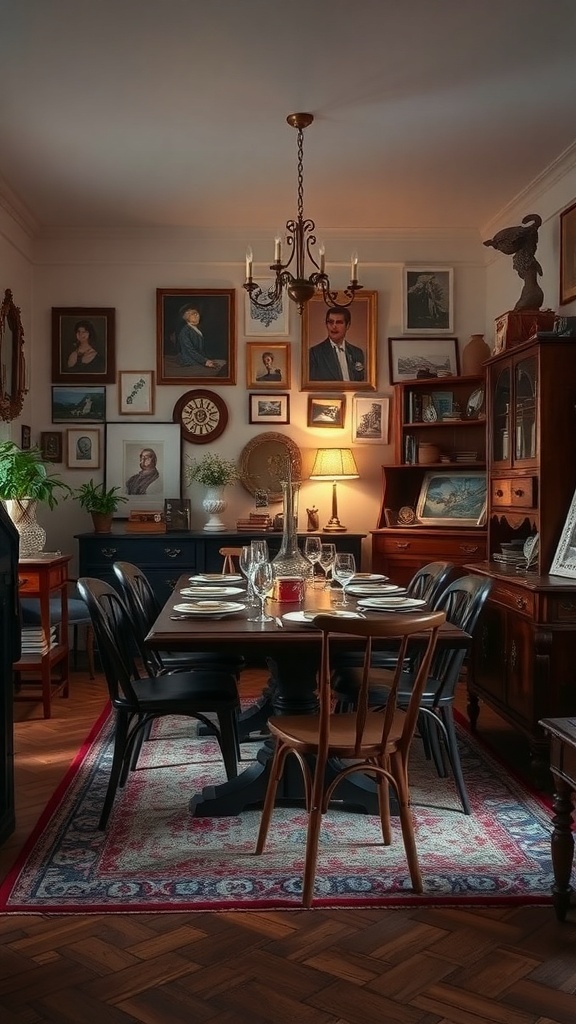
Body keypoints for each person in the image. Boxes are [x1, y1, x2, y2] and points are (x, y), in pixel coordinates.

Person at [308, 306, 365, 382]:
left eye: (339, 322)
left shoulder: (357, 353)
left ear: (347, 325)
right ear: (326, 324)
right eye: (330, 322)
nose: (334, 326)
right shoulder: (315, 353)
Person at [176, 305, 226, 373]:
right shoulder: (185, 332)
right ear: (186, 317)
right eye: (193, 314)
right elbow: (190, 350)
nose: (197, 316)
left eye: (197, 314)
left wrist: (206, 359)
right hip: (189, 360)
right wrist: (205, 361)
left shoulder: (196, 329)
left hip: (200, 359)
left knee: (223, 363)